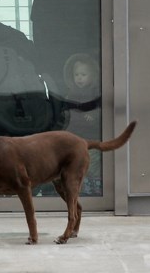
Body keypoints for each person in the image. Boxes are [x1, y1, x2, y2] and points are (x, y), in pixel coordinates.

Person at [60, 52, 102, 195]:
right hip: (76, 135)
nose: (79, 78)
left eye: (83, 75)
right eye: (76, 75)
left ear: (92, 76)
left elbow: (103, 110)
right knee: (78, 166)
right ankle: (82, 190)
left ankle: (97, 189)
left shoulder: (96, 92)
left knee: (94, 164)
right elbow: (67, 109)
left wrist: (94, 116)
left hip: (92, 136)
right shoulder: (71, 93)